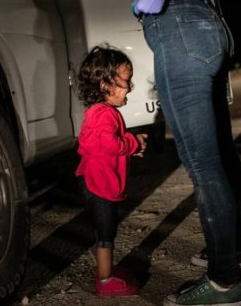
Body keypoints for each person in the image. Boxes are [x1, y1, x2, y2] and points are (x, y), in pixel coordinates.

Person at [107, 0, 241, 305]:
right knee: (220, 154)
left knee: (203, 163)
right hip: (201, 24)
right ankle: (238, 248)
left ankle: (223, 282)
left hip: (177, 27)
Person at [75, 45, 148, 298]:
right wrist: (133, 143)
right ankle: (105, 281)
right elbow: (110, 144)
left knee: (105, 231)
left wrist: (129, 146)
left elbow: (102, 145)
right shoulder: (104, 115)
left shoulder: (99, 113)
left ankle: (106, 271)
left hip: (93, 181)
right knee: (106, 234)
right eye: (126, 81)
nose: (130, 87)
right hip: (99, 185)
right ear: (106, 85)